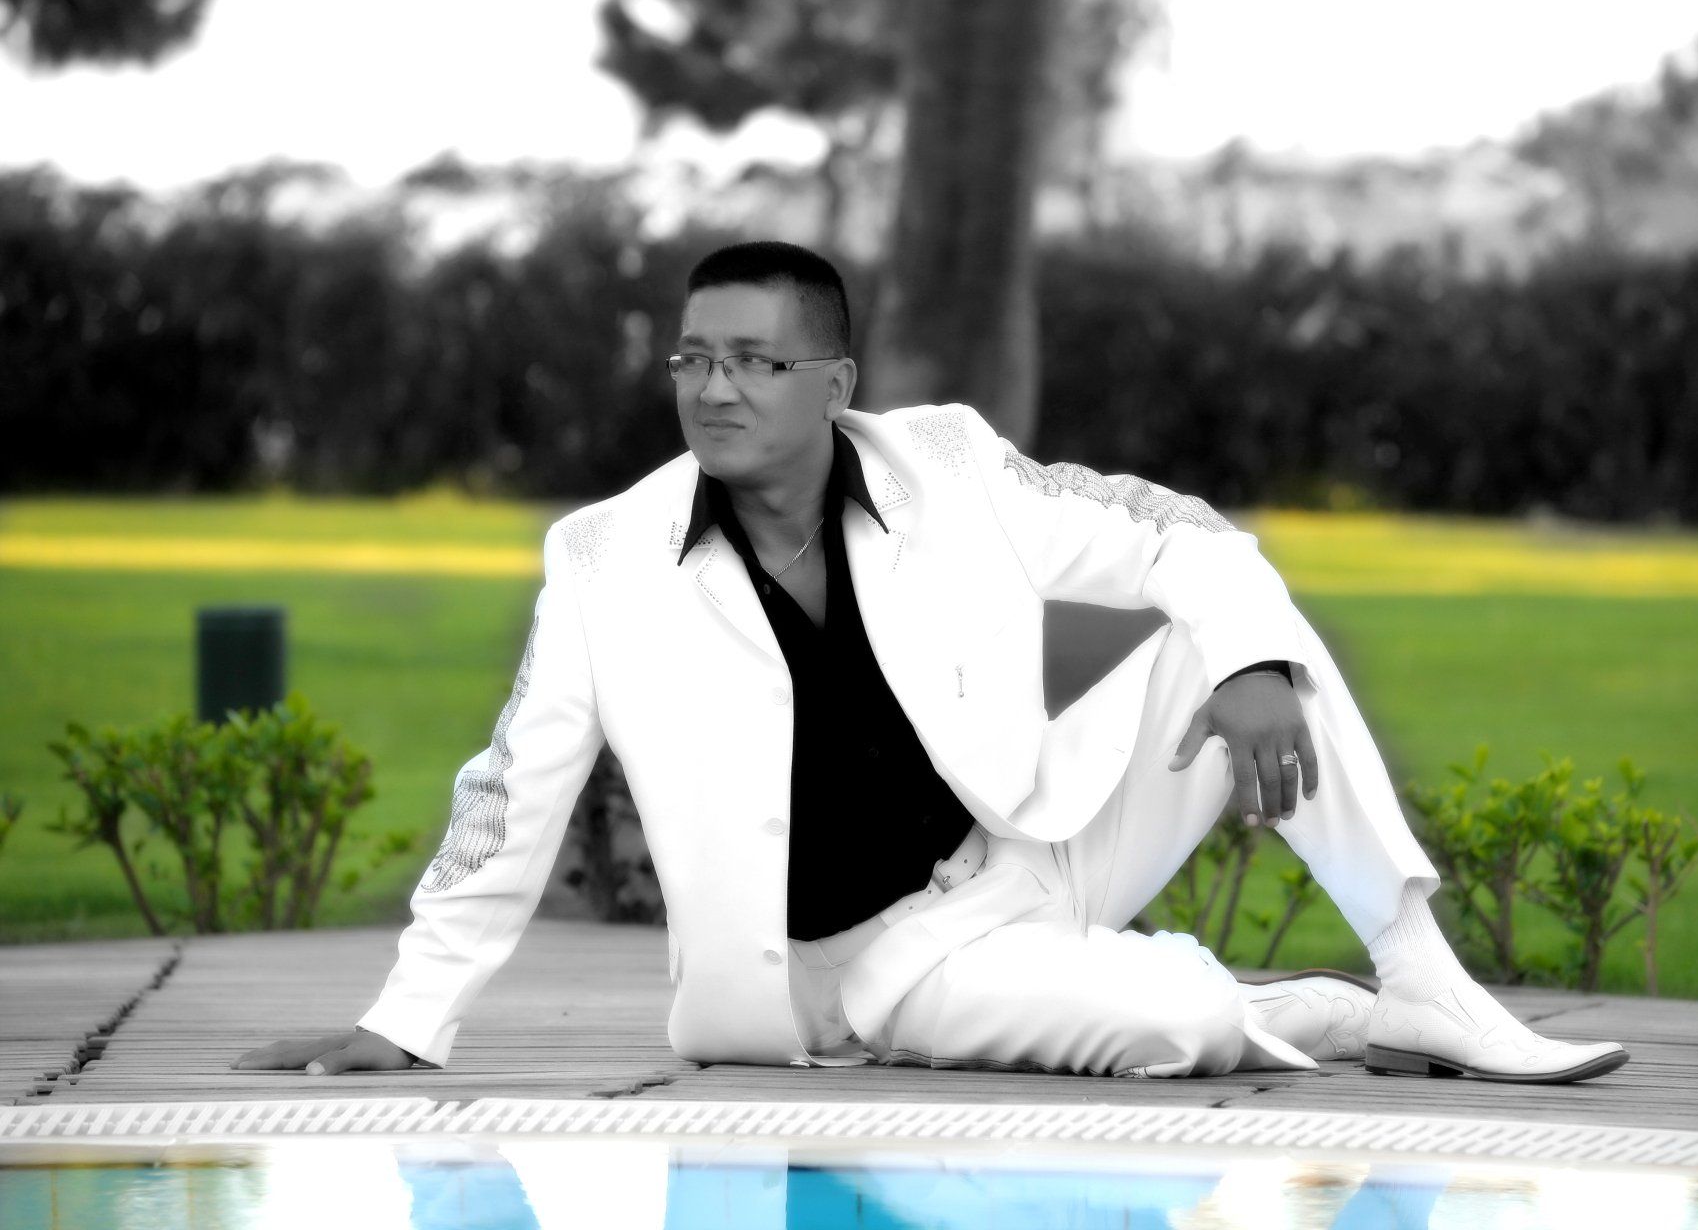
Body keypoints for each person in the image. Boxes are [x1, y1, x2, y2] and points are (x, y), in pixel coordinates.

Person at [234, 241, 1627, 1084]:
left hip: (1029, 851)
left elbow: (1179, 534)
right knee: (1189, 1023)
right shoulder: (604, 559)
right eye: (693, 361)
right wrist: (408, 1018)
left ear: (835, 385)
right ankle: (1281, 1010)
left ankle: (1420, 976)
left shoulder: (948, 462)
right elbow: (509, 793)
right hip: (868, 967)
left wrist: (1251, 666)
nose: (713, 390)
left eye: (755, 364)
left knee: (1244, 623)